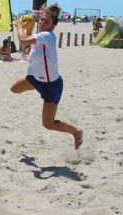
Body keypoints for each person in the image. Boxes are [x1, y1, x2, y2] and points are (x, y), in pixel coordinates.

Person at [10, 4, 83, 150]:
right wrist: (28, 29)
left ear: (53, 25)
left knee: (48, 124)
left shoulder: (47, 36)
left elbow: (23, 40)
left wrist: (19, 26)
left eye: (46, 22)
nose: (42, 23)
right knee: (14, 89)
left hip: (51, 86)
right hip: (35, 79)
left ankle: (76, 132)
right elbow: (26, 47)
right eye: (41, 20)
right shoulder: (39, 37)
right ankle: (37, 89)